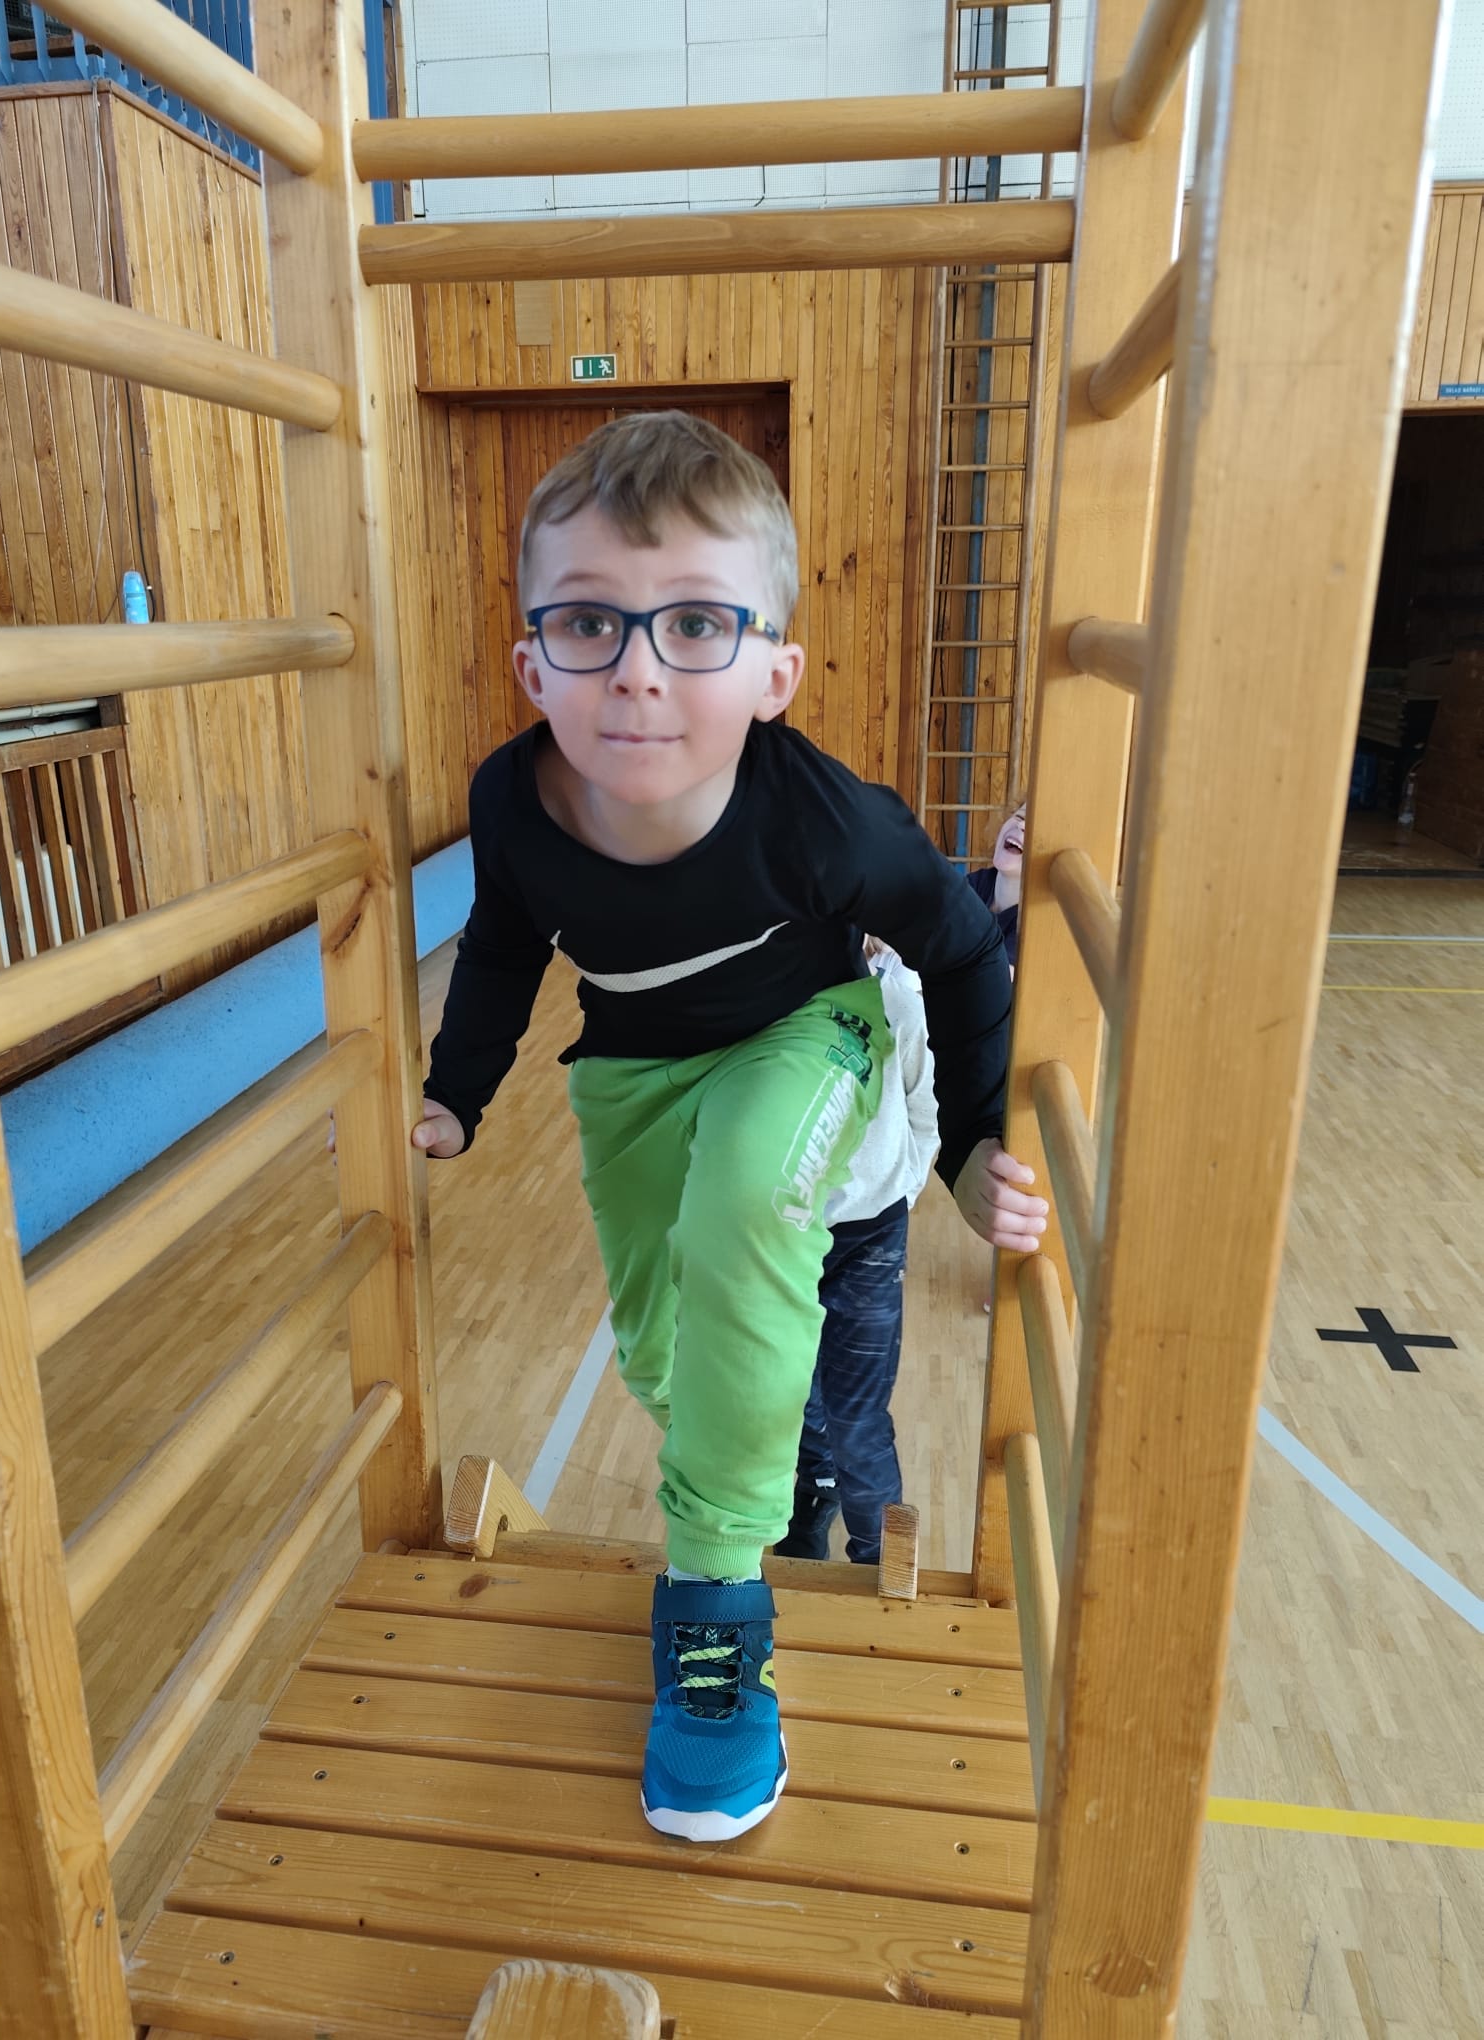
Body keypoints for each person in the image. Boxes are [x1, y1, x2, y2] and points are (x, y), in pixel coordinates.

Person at [413, 411, 1048, 1845]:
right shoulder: (513, 801)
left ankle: (715, 1601)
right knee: (665, 1350)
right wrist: (458, 1091)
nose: (638, 670)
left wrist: (971, 1146)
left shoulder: (825, 823)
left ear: (774, 675)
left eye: (696, 624)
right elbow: (503, 946)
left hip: (808, 1032)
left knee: (746, 1208)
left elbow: (960, 952)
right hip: (632, 1069)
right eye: (590, 624)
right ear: (531, 664)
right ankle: (741, 1461)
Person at [774, 943, 938, 1565]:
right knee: (796, 1389)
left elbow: (924, 1105)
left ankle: (878, 1558)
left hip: (871, 1234)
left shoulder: (896, 998)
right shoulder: (761, 990)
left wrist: (902, 1187)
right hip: (783, 1232)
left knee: (858, 1418)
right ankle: (817, 1489)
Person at [968, 798, 1024, 973]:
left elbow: (995, 979)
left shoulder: (1031, 924)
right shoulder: (978, 882)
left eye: (1035, 827)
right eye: (1020, 817)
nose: (1021, 825)